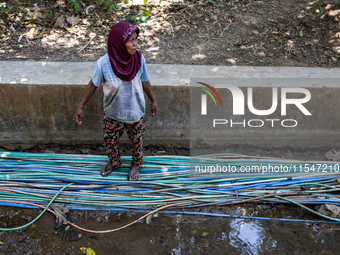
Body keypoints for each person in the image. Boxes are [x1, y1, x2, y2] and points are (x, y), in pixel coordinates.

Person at [74, 21, 158, 181]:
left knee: (137, 141)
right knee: (110, 141)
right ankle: (114, 162)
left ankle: (135, 164)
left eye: (136, 39)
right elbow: (93, 84)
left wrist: (153, 100)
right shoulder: (103, 64)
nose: (135, 44)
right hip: (113, 113)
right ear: (119, 43)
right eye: (131, 40)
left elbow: (145, 81)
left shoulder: (139, 60)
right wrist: (81, 106)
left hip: (135, 112)